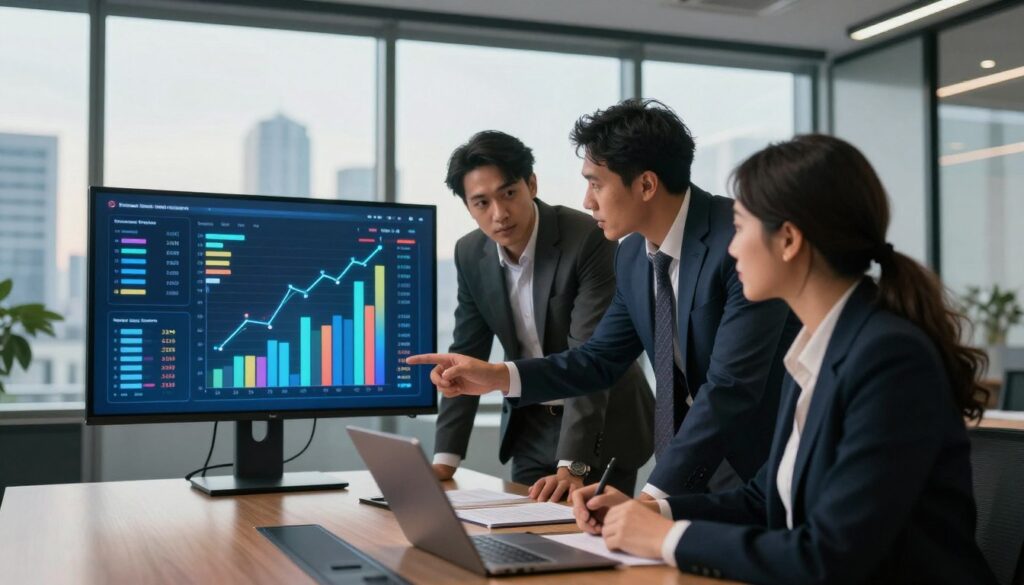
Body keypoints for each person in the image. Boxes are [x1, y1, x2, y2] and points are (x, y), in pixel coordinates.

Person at [569, 134, 998, 585]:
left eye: (741, 227)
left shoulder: (888, 360)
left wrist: (664, 539)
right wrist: (655, 509)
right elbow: (765, 499)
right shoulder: (816, 349)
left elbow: (828, 555)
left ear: (788, 240)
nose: (730, 249)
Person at [409, 99, 797, 498]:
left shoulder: (741, 241)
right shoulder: (632, 256)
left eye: (596, 183)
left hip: (766, 464)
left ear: (646, 185)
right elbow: (597, 360)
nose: (587, 200)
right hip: (690, 464)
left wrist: (650, 499)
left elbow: (731, 387)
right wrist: (495, 377)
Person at [431, 130, 653, 499]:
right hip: (530, 425)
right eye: (481, 203)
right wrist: (444, 461)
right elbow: (465, 355)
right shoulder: (470, 253)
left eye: (509, 194)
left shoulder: (588, 238)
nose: (499, 214)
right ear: (468, 207)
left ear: (531, 184)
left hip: (603, 425)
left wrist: (573, 465)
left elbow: (590, 357)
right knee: (525, 537)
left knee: (594, 545)